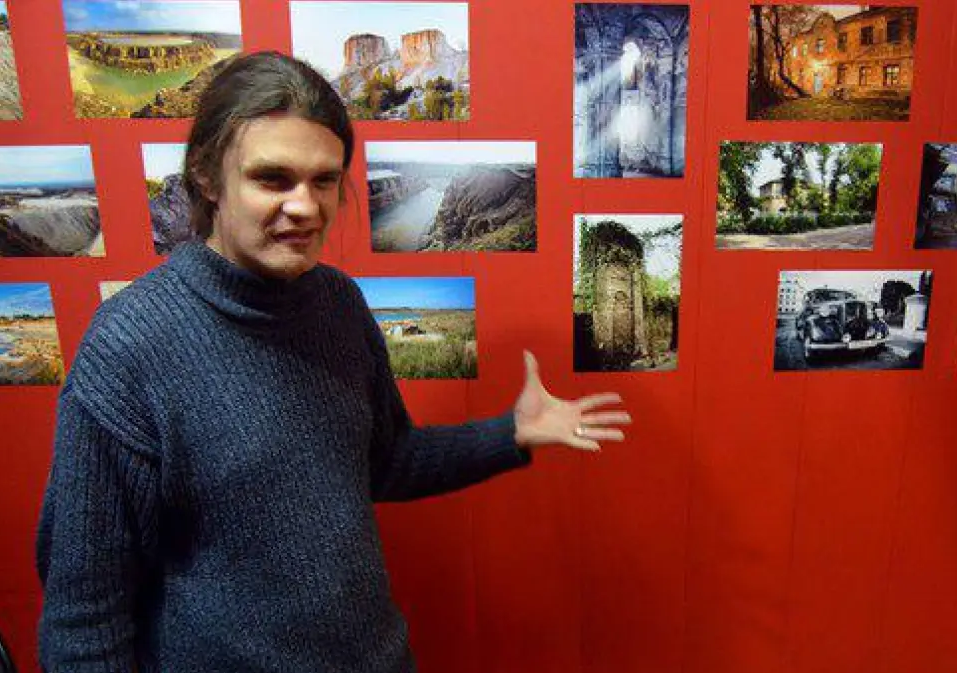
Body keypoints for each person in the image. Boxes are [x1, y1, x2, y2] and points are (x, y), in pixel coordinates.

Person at [35, 51, 630, 673]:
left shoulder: (339, 304)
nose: (307, 207)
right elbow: (85, 619)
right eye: (273, 178)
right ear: (208, 178)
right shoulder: (129, 348)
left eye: (324, 180)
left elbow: (386, 461)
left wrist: (510, 433)